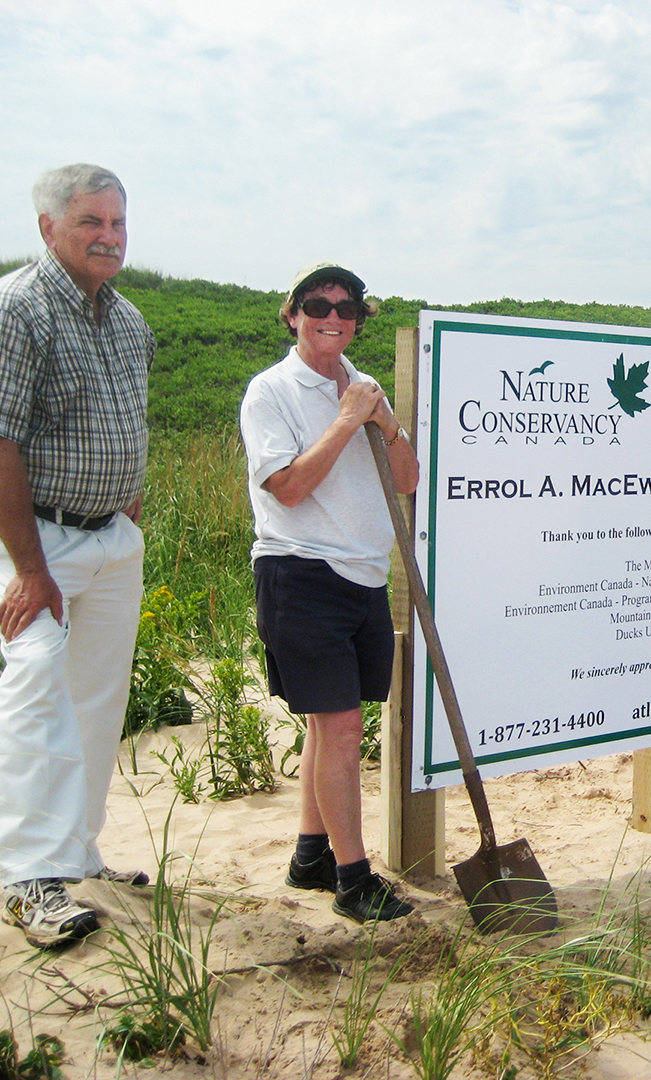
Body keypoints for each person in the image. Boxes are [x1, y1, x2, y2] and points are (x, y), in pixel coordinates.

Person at [0, 164, 154, 948]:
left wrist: (124, 506)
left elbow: (129, 422)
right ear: (48, 228)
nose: (109, 237)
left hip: (109, 536)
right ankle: (28, 878)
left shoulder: (129, 319)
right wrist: (31, 570)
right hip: (32, 537)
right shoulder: (11, 310)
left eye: (117, 223)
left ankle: (76, 852)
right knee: (37, 676)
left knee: (98, 696)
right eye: (90, 223)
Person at [240, 262, 420, 923]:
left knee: (332, 723)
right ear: (293, 312)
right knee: (342, 731)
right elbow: (286, 487)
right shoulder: (272, 393)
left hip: (365, 575)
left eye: (347, 308)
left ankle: (311, 854)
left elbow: (406, 480)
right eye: (319, 304)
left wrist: (385, 423)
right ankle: (353, 879)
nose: (333, 316)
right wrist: (347, 421)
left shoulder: (366, 389)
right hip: (301, 572)